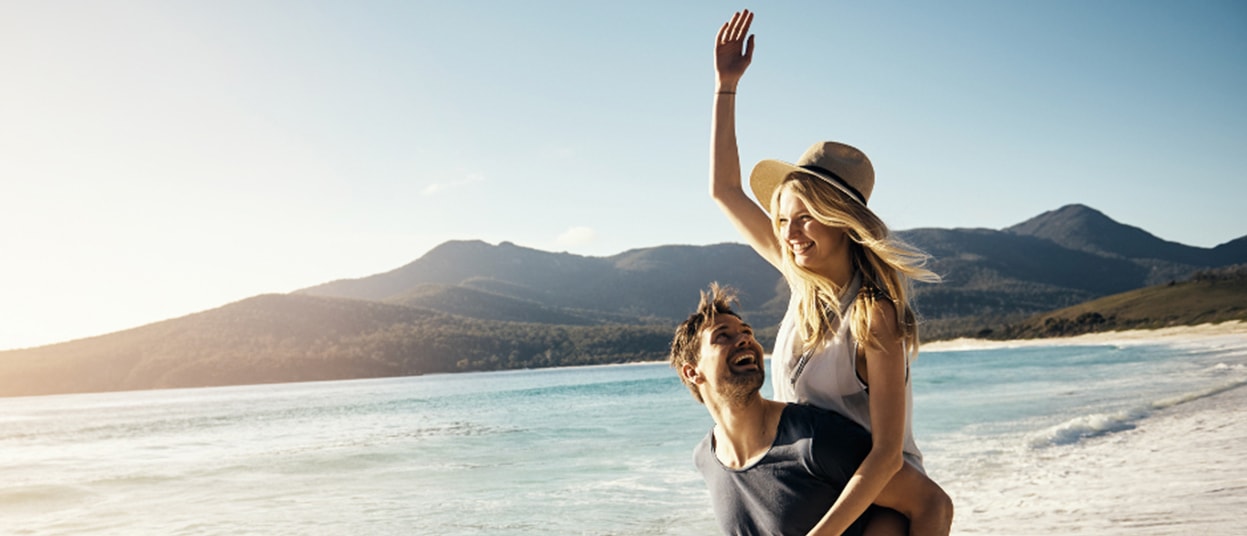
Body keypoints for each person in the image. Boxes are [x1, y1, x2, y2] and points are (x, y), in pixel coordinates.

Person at [709, 9, 952, 535]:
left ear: (842, 223)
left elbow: (889, 455)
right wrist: (725, 88)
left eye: (807, 218)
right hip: (817, 484)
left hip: (885, 503)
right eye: (783, 220)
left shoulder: (873, 315)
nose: (791, 233)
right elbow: (725, 190)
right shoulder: (798, 278)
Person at [671, 284, 951, 536]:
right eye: (723, 337)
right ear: (692, 372)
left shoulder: (815, 438)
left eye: (747, 332)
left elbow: (932, 504)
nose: (744, 340)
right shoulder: (705, 458)